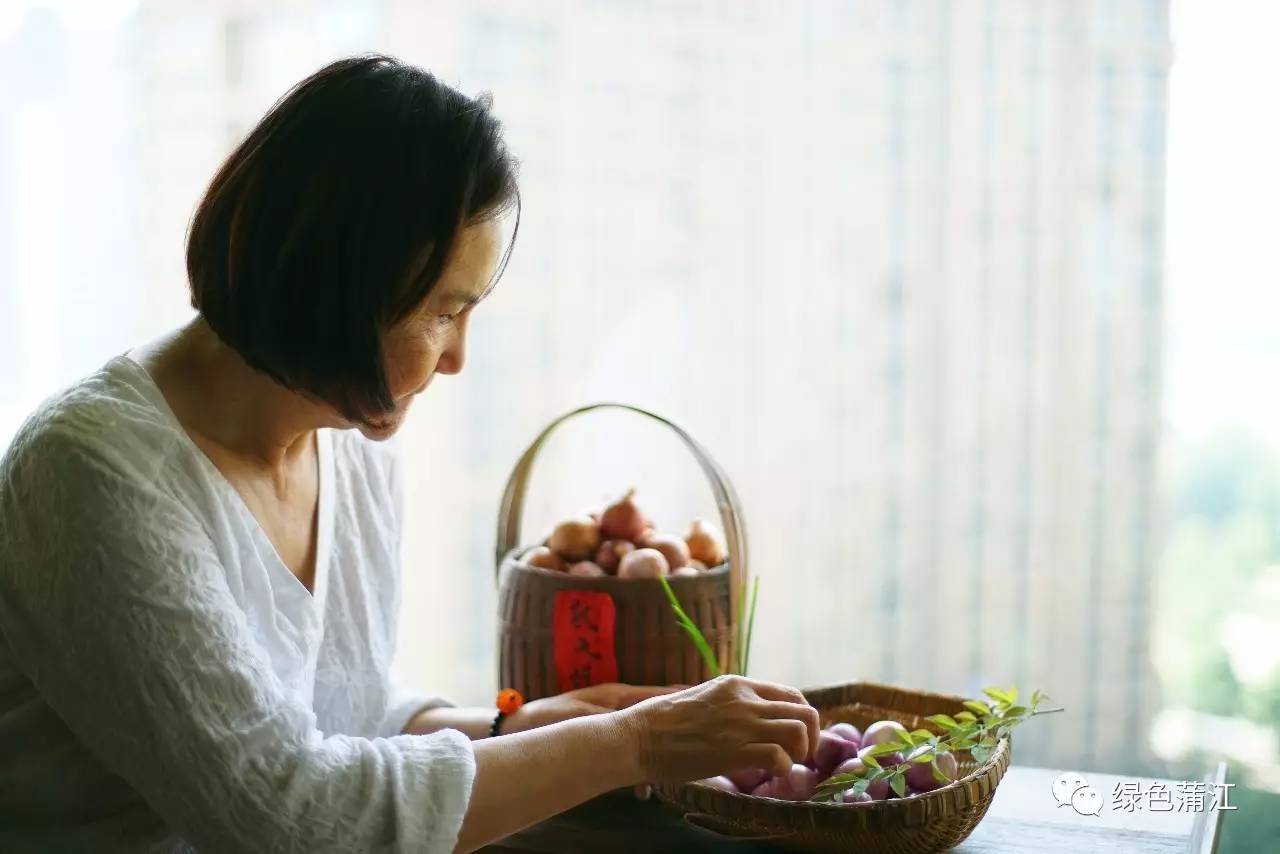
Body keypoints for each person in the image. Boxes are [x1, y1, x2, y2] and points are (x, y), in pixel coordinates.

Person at [0, 55, 818, 853]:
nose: (458, 357)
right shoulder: (92, 475)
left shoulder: (345, 445)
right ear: (337, 287)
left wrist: (509, 726)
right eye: (443, 313)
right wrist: (631, 744)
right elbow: (291, 818)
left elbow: (342, 721)